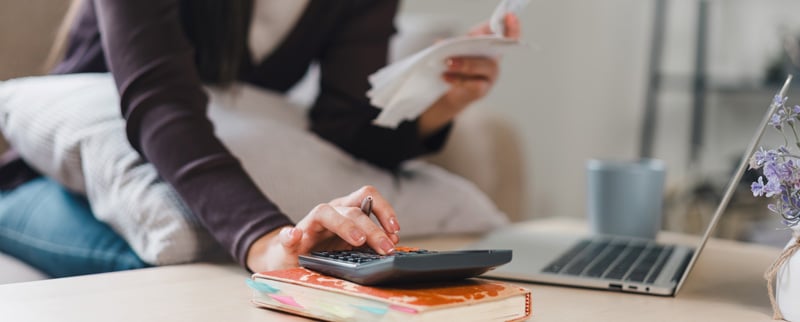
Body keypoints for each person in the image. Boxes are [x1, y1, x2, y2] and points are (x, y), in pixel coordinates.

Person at [0, 0, 521, 277]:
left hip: (183, 168)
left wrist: (441, 104)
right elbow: (163, 108)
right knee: (192, 255)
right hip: (48, 174)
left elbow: (344, 131)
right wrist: (265, 240)